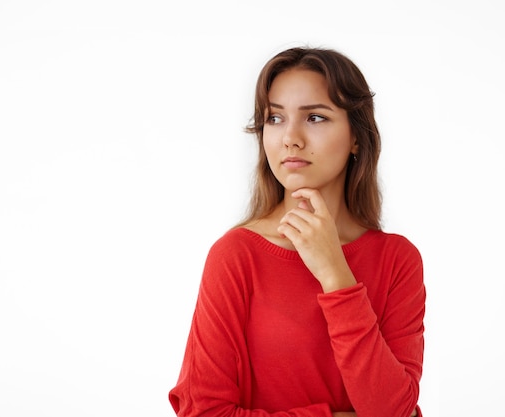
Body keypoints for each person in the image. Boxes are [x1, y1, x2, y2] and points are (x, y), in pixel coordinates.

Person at [168, 46, 425, 417]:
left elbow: (393, 412)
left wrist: (335, 274)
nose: (290, 138)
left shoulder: (397, 260)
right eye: (274, 119)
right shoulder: (236, 256)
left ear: (357, 136)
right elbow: (203, 411)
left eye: (315, 118)